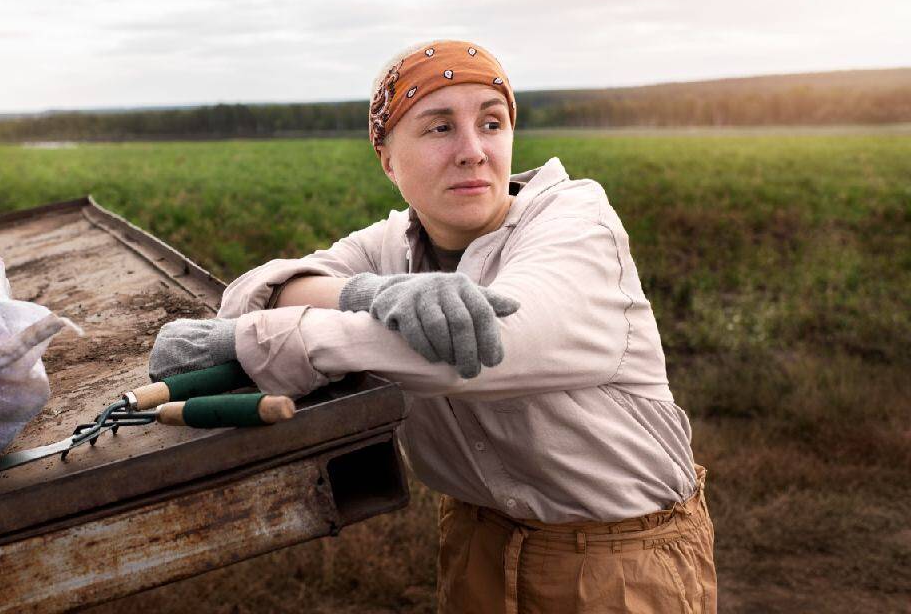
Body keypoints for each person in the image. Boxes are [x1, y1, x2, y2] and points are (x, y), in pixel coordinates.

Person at [147, 40, 717, 613]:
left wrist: (258, 343)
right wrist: (365, 292)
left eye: (491, 123)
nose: (473, 151)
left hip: (619, 562)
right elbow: (254, 289)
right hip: (476, 542)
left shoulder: (575, 223)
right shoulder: (393, 244)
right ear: (388, 160)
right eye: (439, 128)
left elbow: (482, 347)